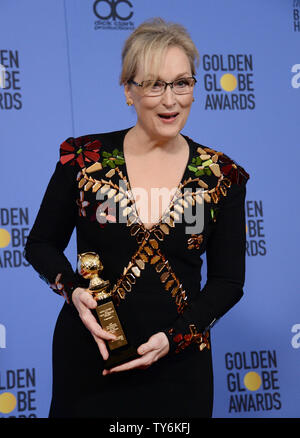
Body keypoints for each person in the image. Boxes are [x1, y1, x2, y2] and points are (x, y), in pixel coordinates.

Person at [25, 17, 249, 418]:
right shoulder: (84, 160)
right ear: (128, 90)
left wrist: (175, 339)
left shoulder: (220, 175)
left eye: (182, 82)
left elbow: (228, 282)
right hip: (91, 360)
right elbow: (40, 245)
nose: (171, 99)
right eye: (154, 84)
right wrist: (74, 289)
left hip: (180, 369)